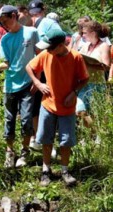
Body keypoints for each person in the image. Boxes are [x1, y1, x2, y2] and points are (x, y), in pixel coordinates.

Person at [26, 29, 89, 186]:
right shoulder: (46, 54)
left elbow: (84, 79)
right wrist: (38, 82)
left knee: (66, 141)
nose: (47, 50)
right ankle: (46, 170)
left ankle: (65, 171)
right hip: (48, 105)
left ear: (61, 45)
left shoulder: (76, 57)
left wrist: (74, 93)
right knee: (46, 139)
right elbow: (29, 67)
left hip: (67, 107)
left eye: (50, 47)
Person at [0, 5, 39, 168]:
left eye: (6, 21)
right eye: (2, 23)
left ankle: (25, 152)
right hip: (10, 84)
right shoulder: (5, 39)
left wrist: (37, 79)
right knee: (9, 120)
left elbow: (40, 56)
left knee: (27, 119)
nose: (4, 25)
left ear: (14, 15)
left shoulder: (31, 32)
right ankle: (9, 152)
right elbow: (5, 64)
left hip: (28, 83)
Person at [28, 0, 62, 152]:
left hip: (48, 72)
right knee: (36, 107)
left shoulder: (49, 23)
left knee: (51, 106)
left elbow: (59, 42)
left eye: (37, 12)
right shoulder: (31, 26)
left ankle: (51, 143)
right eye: (32, 13)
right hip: (36, 71)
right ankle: (38, 139)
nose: (35, 15)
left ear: (43, 10)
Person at [77, 21, 110, 129]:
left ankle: (96, 137)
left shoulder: (103, 46)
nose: (83, 35)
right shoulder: (85, 45)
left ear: (93, 33)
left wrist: (89, 65)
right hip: (83, 83)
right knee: (80, 110)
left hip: (97, 84)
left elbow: (106, 66)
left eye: (85, 33)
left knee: (96, 113)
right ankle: (91, 133)